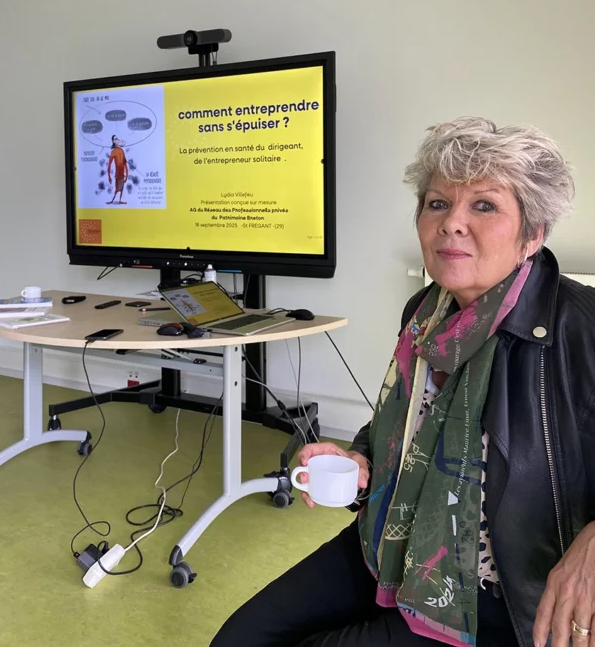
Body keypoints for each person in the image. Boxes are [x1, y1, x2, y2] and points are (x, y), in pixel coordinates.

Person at [212, 118, 595, 647]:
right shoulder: (425, 311)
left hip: (496, 592)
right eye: (438, 203)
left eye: (484, 206)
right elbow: (406, 424)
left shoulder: (580, 327)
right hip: (389, 541)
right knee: (239, 639)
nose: (451, 223)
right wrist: (360, 457)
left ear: (533, 233)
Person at [106, 135, 128, 205]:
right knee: (117, 189)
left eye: (117, 139)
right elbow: (109, 165)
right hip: (117, 174)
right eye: (115, 139)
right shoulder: (113, 152)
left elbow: (125, 163)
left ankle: (119, 200)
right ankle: (112, 200)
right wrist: (109, 176)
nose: (117, 140)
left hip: (122, 174)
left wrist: (127, 175)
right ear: (113, 141)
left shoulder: (121, 150)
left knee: (121, 188)